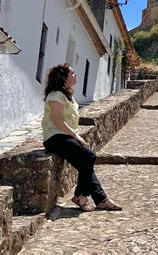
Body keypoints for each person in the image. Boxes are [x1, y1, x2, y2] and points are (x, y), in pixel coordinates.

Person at [41, 63, 122, 212]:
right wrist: (75, 135)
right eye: (72, 73)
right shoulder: (56, 96)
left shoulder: (67, 96)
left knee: (86, 166)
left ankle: (101, 199)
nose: (75, 75)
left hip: (64, 137)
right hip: (55, 137)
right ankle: (80, 196)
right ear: (63, 78)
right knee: (89, 156)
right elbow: (57, 119)